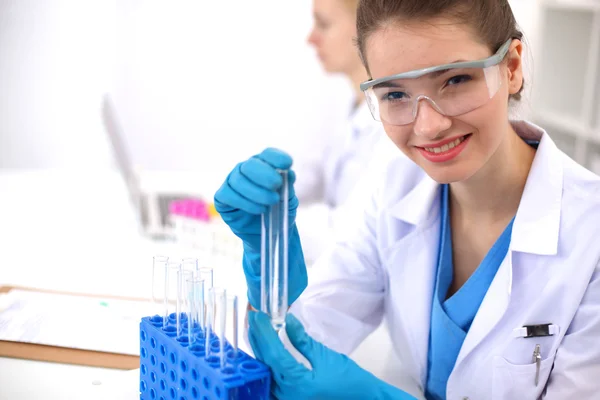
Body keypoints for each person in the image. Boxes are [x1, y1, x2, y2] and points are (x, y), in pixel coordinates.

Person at [214, 0, 600, 398]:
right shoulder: (394, 185)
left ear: (512, 68)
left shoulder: (591, 237)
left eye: (455, 81)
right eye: (396, 94)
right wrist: (272, 268)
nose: (429, 126)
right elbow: (306, 339)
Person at [293, 0, 394, 264]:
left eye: (323, 24)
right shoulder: (346, 103)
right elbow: (308, 178)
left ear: (368, 27)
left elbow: (348, 235)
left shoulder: (394, 125)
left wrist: (268, 220)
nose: (311, 39)